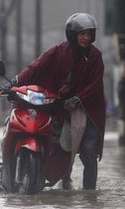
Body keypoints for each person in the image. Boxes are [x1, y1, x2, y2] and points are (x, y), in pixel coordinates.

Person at [13, 12, 106, 190]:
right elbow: (36, 67)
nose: (86, 38)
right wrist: (15, 81)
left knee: (88, 152)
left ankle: (89, 194)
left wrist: (78, 100)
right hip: (61, 106)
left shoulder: (95, 57)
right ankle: (63, 180)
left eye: (88, 34)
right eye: (82, 34)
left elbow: (94, 85)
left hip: (89, 109)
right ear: (72, 35)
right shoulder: (58, 52)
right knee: (59, 146)